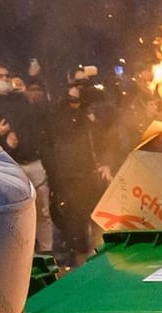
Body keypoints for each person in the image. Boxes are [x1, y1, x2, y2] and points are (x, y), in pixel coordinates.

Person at [0, 62, 55, 252]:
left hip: (33, 161)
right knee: (16, 215)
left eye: (6, 76)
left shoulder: (20, 98)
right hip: (11, 167)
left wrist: (26, 90)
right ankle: (23, 256)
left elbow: (43, 112)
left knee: (43, 212)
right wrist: (2, 139)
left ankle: (47, 252)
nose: (4, 80)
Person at [50, 80, 113, 263]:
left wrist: (107, 162)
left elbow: (108, 139)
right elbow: (58, 146)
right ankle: (82, 262)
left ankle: (103, 258)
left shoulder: (97, 113)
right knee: (77, 224)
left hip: (95, 176)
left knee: (100, 220)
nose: (76, 101)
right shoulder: (61, 117)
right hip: (73, 178)